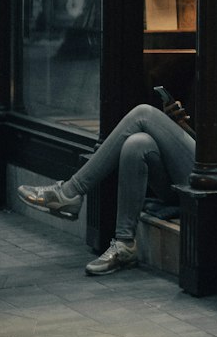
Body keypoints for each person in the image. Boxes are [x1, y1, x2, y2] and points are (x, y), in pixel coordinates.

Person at [16, 100, 195, 276]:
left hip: (211, 181)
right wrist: (181, 126)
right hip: (188, 176)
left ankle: (69, 192)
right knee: (136, 143)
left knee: (143, 113)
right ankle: (125, 244)